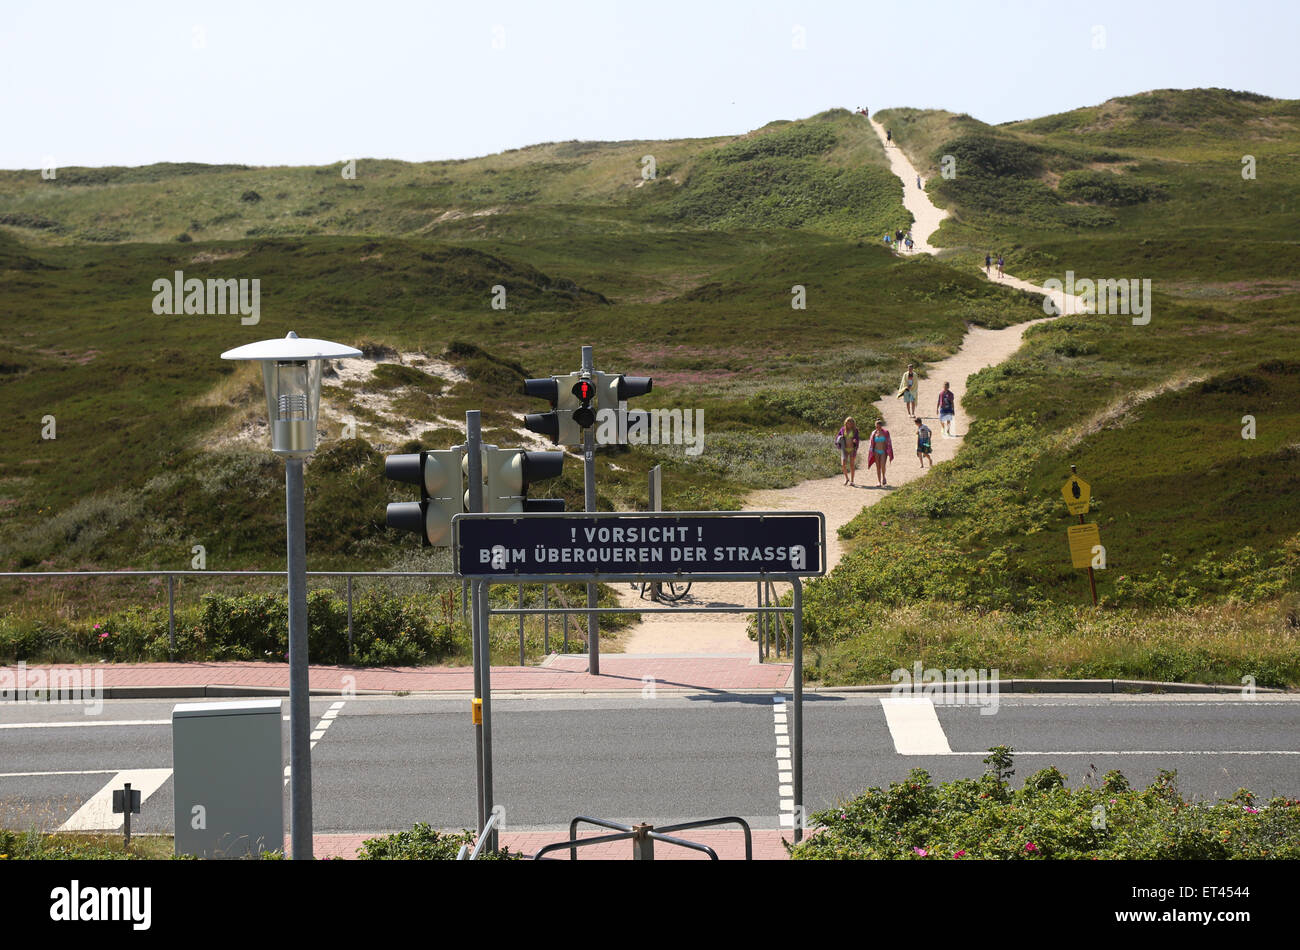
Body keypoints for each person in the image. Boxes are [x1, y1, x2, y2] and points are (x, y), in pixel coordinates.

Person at [836, 417, 860, 486]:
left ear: (853, 424)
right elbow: (837, 436)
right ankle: (846, 478)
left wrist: (855, 441)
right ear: (846, 423)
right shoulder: (842, 429)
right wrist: (840, 438)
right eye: (848, 423)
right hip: (845, 449)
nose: (849, 424)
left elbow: (857, 438)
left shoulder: (855, 430)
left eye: (850, 423)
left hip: (852, 449)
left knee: (852, 465)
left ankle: (852, 481)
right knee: (843, 464)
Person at [868, 419, 893, 486]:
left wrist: (889, 450)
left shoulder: (885, 432)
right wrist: (871, 451)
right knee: (878, 467)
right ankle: (879, 481)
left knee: (883, 465)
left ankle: (884, 477)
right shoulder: (873, 433)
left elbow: (889, 441)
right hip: (876, 451)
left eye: (879, 426)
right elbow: (871, 443)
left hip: (883, 451)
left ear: (881, 426)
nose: (878, 428)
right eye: (876, 427)